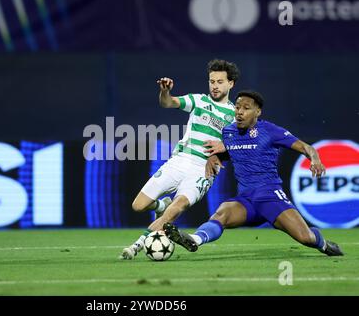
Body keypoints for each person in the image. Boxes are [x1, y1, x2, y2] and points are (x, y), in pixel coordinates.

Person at [164, 90, 344, 257]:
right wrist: (216, 157)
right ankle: (194, 239)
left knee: (306, 238)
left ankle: (323, 244)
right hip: (246, 201)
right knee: (222, 213)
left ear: (258, 112)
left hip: (270, 197)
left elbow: (306, 147)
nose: (239, 112)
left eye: (246, 108)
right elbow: (233, 151)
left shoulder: (271, 131)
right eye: (237, 107)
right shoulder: (228, 132)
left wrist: (315, 159)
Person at [120, 59, 239, 259]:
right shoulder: (199, 101)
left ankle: (137, 245)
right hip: (179, 161)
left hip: (203, 170)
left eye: (219, 82)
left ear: (231, 84)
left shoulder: (235, 116)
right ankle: (160, 206)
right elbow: (169, 102)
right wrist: (165, 91)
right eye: (212, 81)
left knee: (179, 205)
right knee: (138, 205)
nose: (215, 86)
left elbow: (237, 147)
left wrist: (222, 151)